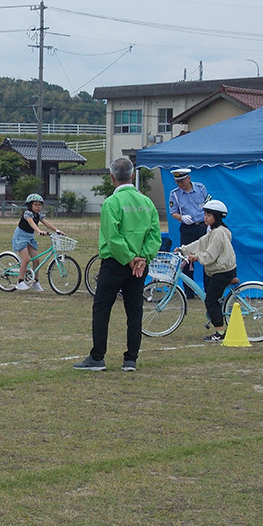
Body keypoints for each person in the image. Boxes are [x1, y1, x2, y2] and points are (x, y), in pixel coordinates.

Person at [74, 158, 161, 372]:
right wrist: (141, 257)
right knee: (134, 310)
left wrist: (129, 258)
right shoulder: (147, 202)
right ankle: (131, 358)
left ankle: (97, 357)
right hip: (139, 265)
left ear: (112, 177)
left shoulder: (112, 203)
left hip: (116, 263)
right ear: (132, 176)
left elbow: (113, 237)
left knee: (103, 307)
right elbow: (154, 235)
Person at [175, 200, 236, 342]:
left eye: (209, 215)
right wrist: (183, 249)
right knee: (212, 298)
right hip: (222, 270)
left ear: (217, 216)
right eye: (205, 214)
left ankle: (220, 333)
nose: (205, 217)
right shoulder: (216, 232)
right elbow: (200, 243)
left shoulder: (218, 233)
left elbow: (210, 255)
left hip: (222, 271)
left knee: (210, 301)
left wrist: (195, 257)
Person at [168, 168, 210, 298]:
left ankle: (208, 291)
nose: (180, 184)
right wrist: (181, 218)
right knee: (186, 259)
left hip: (202, 227)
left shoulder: (201, 188)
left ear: (189, 178)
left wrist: (209, 224)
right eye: (177, 182)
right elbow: (173, 212)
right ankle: (189, 292)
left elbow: (209, 204)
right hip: (188, 229)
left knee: (206, 258)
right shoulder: (174, 194)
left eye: (182, 181)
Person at [12, 193, 65, 292]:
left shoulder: (38, 215)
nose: (38, 207)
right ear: (30, 205)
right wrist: (39, 231)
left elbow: (46, 223)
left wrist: (57, 230)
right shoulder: (27, 213)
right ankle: (20, 282)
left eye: (40, 205)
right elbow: (31, 223)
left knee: (36, 260)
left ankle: (35, 282)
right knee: (26, 259)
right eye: (36, 205)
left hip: (30, 237)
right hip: (21, 237)